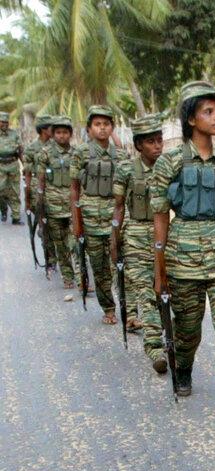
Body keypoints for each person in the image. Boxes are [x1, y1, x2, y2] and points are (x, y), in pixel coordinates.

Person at [150, 80, 215, 429]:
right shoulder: (170, 163)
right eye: (208, 111)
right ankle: (183, 366)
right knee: (188, 329)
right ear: (191, 118)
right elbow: (160, 216)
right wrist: (159, 269)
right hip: (183, 256)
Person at [112, 113, 165, 371]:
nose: (157, 146)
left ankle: (169, 337)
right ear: (138, 145)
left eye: (159, 140)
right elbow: (119, 207)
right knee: (146, 292)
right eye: (150, 142)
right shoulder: (126, 170)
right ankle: (155, 349)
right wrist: (115, 241)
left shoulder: (170, 167)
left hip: (164, 236)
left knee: (165, 292)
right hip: (135, 235)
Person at [71, 105, 125, 324]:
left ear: (112, 127)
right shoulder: (81, 153)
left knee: (121, 265)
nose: (102, 129)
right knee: (100, 267)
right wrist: (77, 222)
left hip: (116, 219)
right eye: (97, 124)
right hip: (91, 219)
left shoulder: (120, 154)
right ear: (89, 128)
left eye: (106, 124)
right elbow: (74, 188)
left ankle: (129, 312)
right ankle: (109, 309)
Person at [35, 116, 78, 289]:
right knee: (60, 244)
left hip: (72, 204)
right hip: (52, 205)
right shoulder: (45, 153)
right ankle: (67, 277)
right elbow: (41, 180)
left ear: (70, 134)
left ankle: (82, 279)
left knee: (75, 242)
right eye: (58, 132)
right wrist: (40, 207)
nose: (62, 136)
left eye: (65, 132)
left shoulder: (76, 153)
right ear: (53, 134)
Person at [23, 114, 52, 266]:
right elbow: (27, 174)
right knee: (43, 225)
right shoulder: (31, 149)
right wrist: (27, 199)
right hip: (37, 188)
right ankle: (50, 257)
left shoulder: (58, 146)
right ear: (43, 130)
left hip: (55, 187)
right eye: (51, 127)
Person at [0, 111, 23, 225]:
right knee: (1, 191)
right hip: (0, 166)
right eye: (2, 122)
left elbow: (20, 150)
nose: (5, 124)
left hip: (13, 165)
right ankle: (3, 209)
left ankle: (16, 216)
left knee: (15, 191)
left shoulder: (14, 134)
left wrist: (25, 165)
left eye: (6, 122)